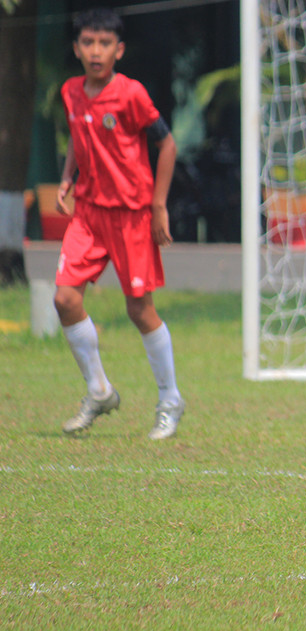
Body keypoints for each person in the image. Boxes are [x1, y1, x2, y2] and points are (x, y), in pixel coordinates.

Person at [53, 8, 184, 440]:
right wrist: (69, 176)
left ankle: (170, 400)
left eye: (104, 43)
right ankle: (99, 391)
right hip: (88, 214)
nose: (96, 51)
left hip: (131, 215)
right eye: (88, 43)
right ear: (76, 48)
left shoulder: (131, 94)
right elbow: (78, 134)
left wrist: (158, 205)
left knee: (138, 309)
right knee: (65, 300)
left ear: (119, 50)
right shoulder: (71, 92)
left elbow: (166, 144)